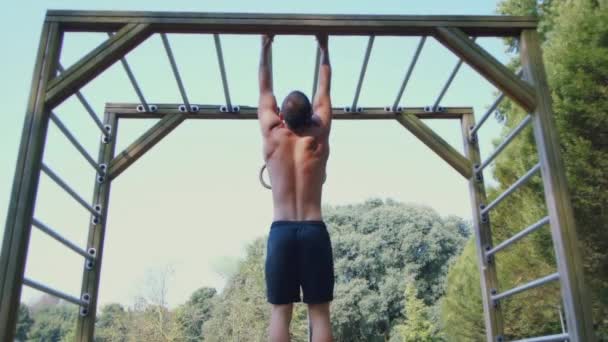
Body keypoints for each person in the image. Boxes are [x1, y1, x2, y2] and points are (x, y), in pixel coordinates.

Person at [257, 33, 334, 342]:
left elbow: (264, 90)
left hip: (282, 231)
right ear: (310, 115)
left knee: (280, 311)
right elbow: (324, 92)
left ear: (281, 116)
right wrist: (325, 47)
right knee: (319, 312)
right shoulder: (319, 133)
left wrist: (265, 45)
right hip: (314, 229)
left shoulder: (271, 132)